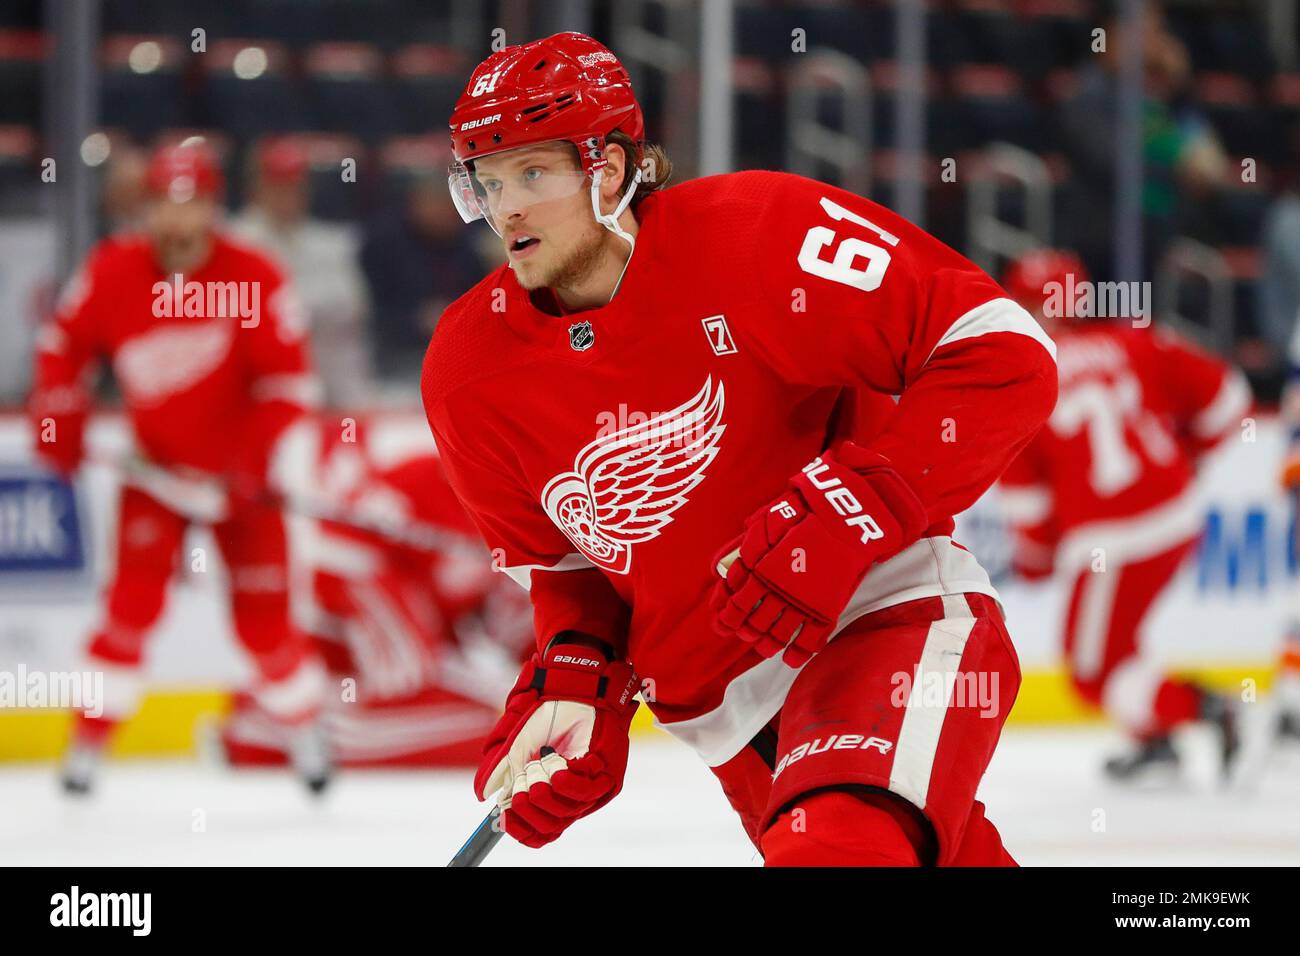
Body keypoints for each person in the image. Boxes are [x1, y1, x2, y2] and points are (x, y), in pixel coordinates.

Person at [422, 33, 1058, 866]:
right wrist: (579, 674)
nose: (506, 207)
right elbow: (569, 569)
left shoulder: (756, 238)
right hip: (724, 717)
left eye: (532, 174)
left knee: (837, 849)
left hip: (880, 619)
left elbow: (999, 347)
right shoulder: (468, 371)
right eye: (490, 180)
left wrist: (865, 503)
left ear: (607, 169)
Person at [28, 140, 332, 795]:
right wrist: (57, 413)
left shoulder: (254, 273)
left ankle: (307, 738)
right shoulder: (113, 271)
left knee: (266, 629)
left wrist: (248, 464)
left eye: (189, 204)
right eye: (163, 203)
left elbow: (289, 388)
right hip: (154, 478)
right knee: (128, 612)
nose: (175, 219)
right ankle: (84, 751)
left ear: (214, 208)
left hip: (241, 489)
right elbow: (62, 348)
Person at [998, 249, 1250, 780]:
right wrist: (1187, 460)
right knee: (1120, 641)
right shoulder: (1136, 340)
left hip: (1112, 539)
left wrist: (1037, 559)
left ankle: (1207, 708)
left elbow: (1027, 503)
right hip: (1175, 514)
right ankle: (1155, 740)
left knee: (1091, 672)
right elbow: (1228, 400)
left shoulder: (1021, 375)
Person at [220, 414, 532, 767]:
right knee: (462, 714)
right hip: (360, 592)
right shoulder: (431, 478)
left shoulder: (521, 512)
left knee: (469, 714)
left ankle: (285, 722)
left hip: (386, 623)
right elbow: (345, 550)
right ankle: (268, 733)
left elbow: (516, 621)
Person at [229, 137, 373, 407]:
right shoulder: (234, 241)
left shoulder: (330, 243)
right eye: (277, 186)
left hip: (325, 381)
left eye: (293, 186)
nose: (287, 195)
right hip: (250, 387)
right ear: (256, 187)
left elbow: (351, 309)